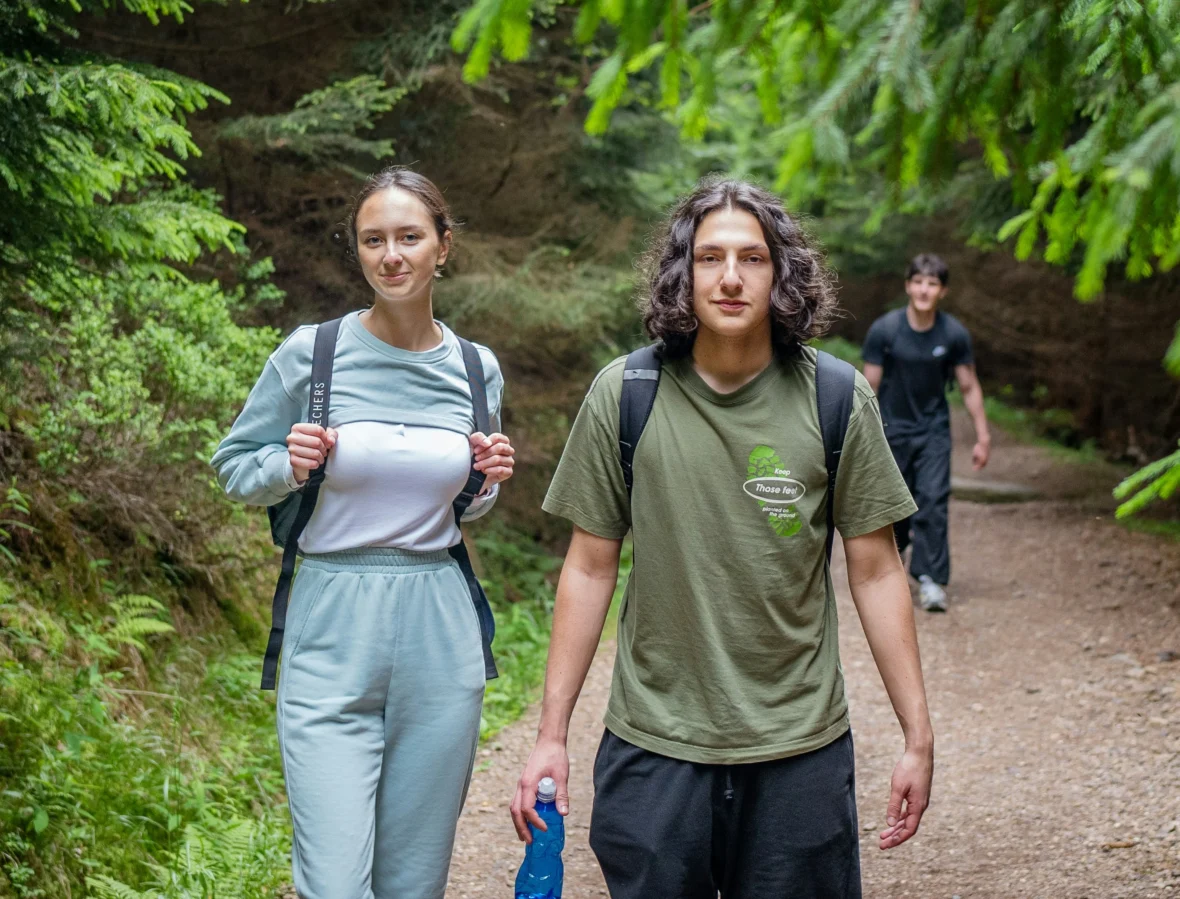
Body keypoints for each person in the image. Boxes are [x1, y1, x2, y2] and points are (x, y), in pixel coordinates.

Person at [509, 178, 933, 898]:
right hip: (654, 742)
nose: (731, 277)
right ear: (683, 272)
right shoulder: (625, 393)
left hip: (799, 746)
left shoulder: (835, 398)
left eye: (752, 258)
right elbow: (588, 566)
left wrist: (917, 735)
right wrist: (551, 733)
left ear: (782, 272)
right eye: (709, 258)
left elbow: (876, 570)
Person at [211, 167, 515, 899]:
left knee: (413, 880)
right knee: (335, 879)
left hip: (438, 628)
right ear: (358, 251)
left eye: (409, 237)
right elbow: (232, 467)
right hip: (328, 621)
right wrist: (287, 463)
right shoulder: (311, 354)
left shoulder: (477, 369)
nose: (392, 255)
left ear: (442, 247)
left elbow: (465, 511)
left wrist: (487, 479)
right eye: (373, 240)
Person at [861, 254, 991, 612]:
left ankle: (931, 579)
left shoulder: (953, 334)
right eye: (918, 281)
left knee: (933, 500)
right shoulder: (885, 330)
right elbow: (867, 386)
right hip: (891, 430)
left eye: (932, 283)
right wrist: (859, 435)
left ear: (942, 291)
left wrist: (983, 436)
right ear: (908, 286)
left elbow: (968, 386)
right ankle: (893, 568)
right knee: (896, 506)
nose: (924, 289)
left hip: (933, 429)